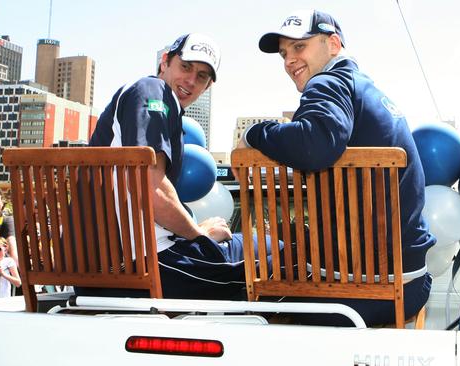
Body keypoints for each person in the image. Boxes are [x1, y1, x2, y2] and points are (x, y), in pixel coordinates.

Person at [237, 9, 435, 326]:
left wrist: (254, 133)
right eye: (284, 53)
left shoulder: (328, 82)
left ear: (333, 44)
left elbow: (315, 144)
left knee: (249, 275)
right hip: (407, 279)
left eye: (299, 47)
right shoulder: (366, 89)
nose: (288, 61)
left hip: (359, 286)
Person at [82, 33, 273, 300]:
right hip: (148, 267)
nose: (191, 80)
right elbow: (151, 190)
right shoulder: (153, 91)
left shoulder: (146, 99)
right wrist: (199, 235)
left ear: (207, 87)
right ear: (165, 62)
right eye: (186, 67)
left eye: (202, 76)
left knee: (258, 245)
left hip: (107, 266)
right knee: (284, 256)